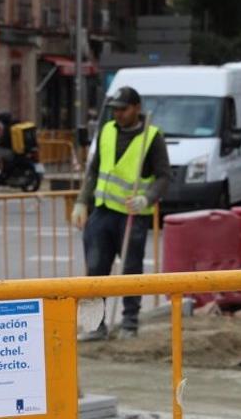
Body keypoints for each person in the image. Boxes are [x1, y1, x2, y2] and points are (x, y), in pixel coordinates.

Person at [71, 86, 170, 339]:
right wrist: (82, 201)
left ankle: (129, 324)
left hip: (131, 215)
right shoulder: (106, 131)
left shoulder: (152, 137)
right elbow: (93, 171)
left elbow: (164, 177)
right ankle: (94, 326)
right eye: (114, 109)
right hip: (102, 212)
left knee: (130, 272)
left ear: (136, 108)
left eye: (123, 109)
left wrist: (146, 198)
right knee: (94, 271)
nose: (118, 114)